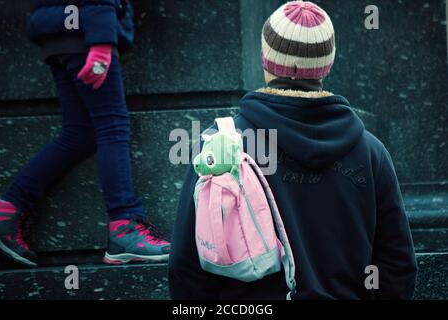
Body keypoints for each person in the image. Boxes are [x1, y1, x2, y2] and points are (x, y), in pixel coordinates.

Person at [169, 1, 417, 300]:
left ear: (265, 59)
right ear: (327, 64)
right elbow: (397, 267)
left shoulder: (219, 145)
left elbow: (187, 268)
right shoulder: (371, 152)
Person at [0, 0, 170, 267]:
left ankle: (7, 209)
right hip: (87, 31)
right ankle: (125, 227)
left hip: (58, 32)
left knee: (79, 134)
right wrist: (101, 38)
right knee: (112, 126)